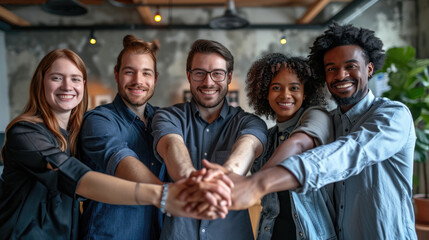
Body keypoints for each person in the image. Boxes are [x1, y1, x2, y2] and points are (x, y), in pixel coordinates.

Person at [203, 23, 417, 239]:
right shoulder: (332, 122)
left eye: (350, 66)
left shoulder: (393, 115)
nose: (341, 75)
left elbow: (350, 152)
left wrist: (258, 182)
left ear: (369, 68)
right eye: (331, 68)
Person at [0, 49, 232, 240]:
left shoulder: (72, 134)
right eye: (56, 77)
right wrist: (164, 196)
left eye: (75, 79)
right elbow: (78, 175)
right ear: (116, 75)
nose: (67, 86)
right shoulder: (27, 132)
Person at [152, 39, 268, 240]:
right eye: (200, 73)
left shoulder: (249, 122)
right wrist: (193, 178)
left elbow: (248, 146)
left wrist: (226, 173)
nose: (208, 82)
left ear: (229, 76)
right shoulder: (168, 116)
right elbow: (172, 146)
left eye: (217, 73)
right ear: (189, 76)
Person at [78, 35, 164, 240]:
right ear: (116, 75)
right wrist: (169, 196)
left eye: (146, 73)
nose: (138, 81)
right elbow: (119, 157)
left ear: (155, 79)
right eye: (129, 72)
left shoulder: (162, 120)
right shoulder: (98, 119)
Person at [246, 53, 336, 239]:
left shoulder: (318, 116)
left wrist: (252, 185)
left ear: (305, 94)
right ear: (266, 94)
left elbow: (298, 143)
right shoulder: (268, 137)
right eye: (276, 87)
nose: (285, 95)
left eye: (294, 88)